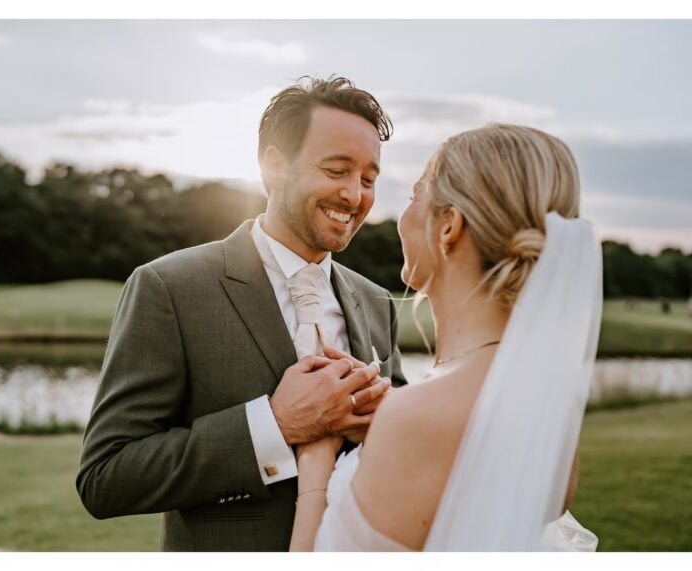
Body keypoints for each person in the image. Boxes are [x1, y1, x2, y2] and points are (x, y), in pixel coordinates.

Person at [76, 76, 407, 551]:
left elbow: (401, 455)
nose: (355, 196)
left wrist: (384, 421)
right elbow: (106, 476)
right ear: (274, 167)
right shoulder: (170, 288)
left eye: (369, 179)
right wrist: (275, 425)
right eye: (337, 170)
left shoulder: (375, 301)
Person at [289, 124, 602, 551]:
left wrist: (316, 461)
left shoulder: (414, 419)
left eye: (417, 195)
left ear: (449, 226)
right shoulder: (546, 410)